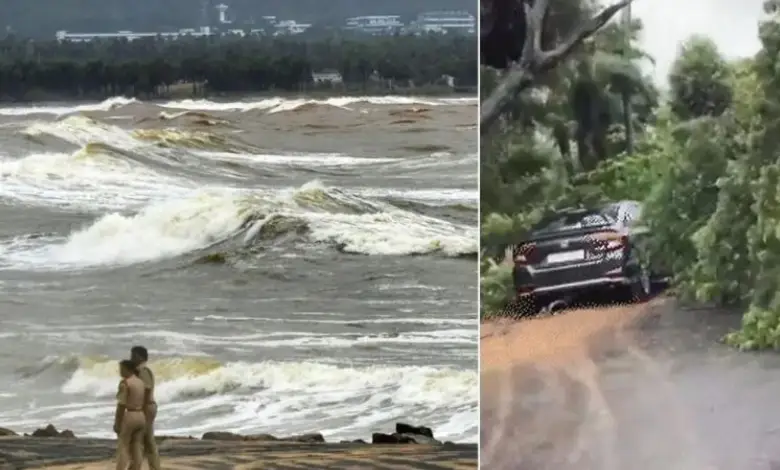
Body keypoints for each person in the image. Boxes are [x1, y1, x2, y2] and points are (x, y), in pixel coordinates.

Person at [130, 345, 161, 470]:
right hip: (148, 407)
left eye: (133, 356)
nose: (131, 358)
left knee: (139, 439)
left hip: (146, 407)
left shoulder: (142, 371)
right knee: (147, 440)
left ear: (140, 357)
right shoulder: (141, 370)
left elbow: (146, 389)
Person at [115, 359, 146, 470]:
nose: (120, 371)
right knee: (137, 446)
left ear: (127, 369)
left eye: (121, 369)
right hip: (141, 415)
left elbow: (121, 405)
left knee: (123, 446)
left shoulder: (125, 383)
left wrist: (117, 422)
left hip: (130, 415)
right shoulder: (141, 382)